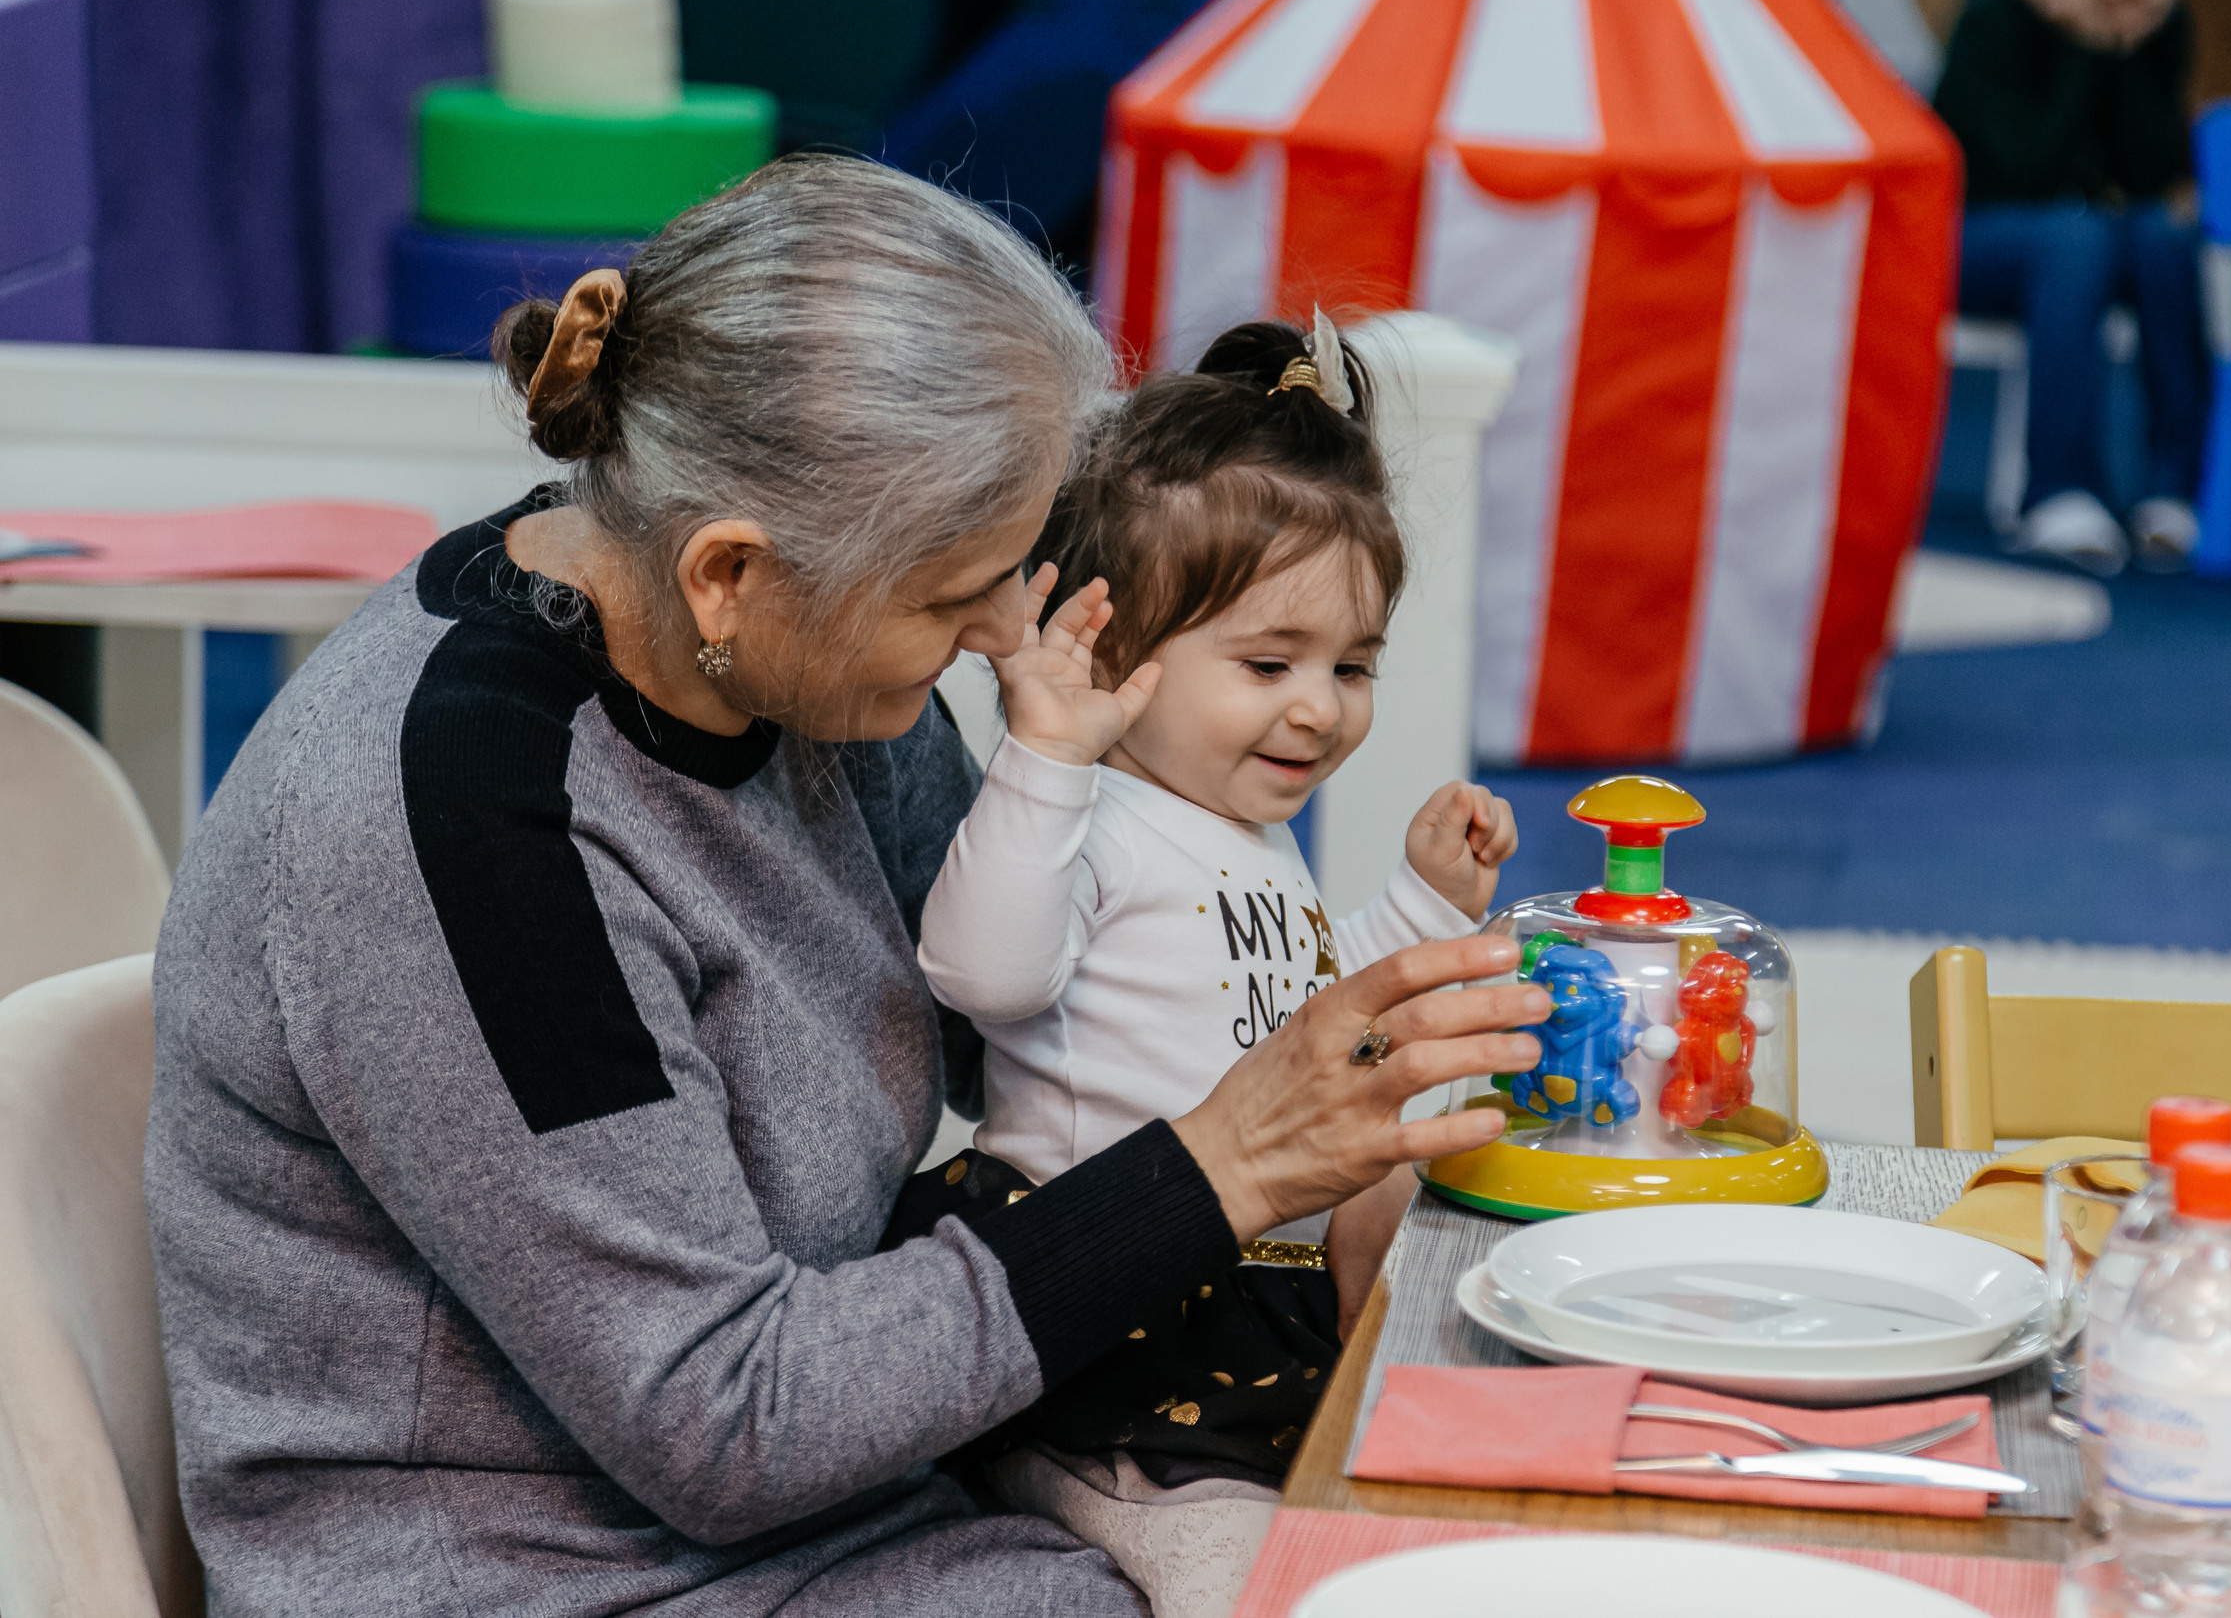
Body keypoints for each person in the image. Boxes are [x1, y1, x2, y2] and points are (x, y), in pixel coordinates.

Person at [142, 154, 1548, 1617]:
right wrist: (1232, 1160)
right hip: (553, 1568)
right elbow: (722, 1415)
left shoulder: (794, 662)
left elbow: (1014, 1005)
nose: (1009, 632)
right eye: (959, 596)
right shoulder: (472, 822)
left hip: (865, 1482)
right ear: (728, 572)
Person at [907, 313, 1516, 1611]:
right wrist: (1045, 756)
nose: (1320, 704)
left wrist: (1420, 900)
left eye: (1353, 665)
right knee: (1241, 1567)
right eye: (1268, 662)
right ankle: (1059, 1475)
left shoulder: (1249, 835)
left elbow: (1305, 1010)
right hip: (1116, 1301)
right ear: (1116, 649)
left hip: (1254, 1284)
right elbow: (984, 971)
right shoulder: (1095, 812)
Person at [1933, 0, 2208, 574]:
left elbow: (2150, 172)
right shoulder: (1992, 18)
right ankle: (2060, 487)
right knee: (2073, 235)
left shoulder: (2156, 24)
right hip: (1978, 239)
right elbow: (2022, 171)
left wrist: (2131, 49)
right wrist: (2084, 44)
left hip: (2084, 240)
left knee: (2166, 236)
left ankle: (2175, 488)